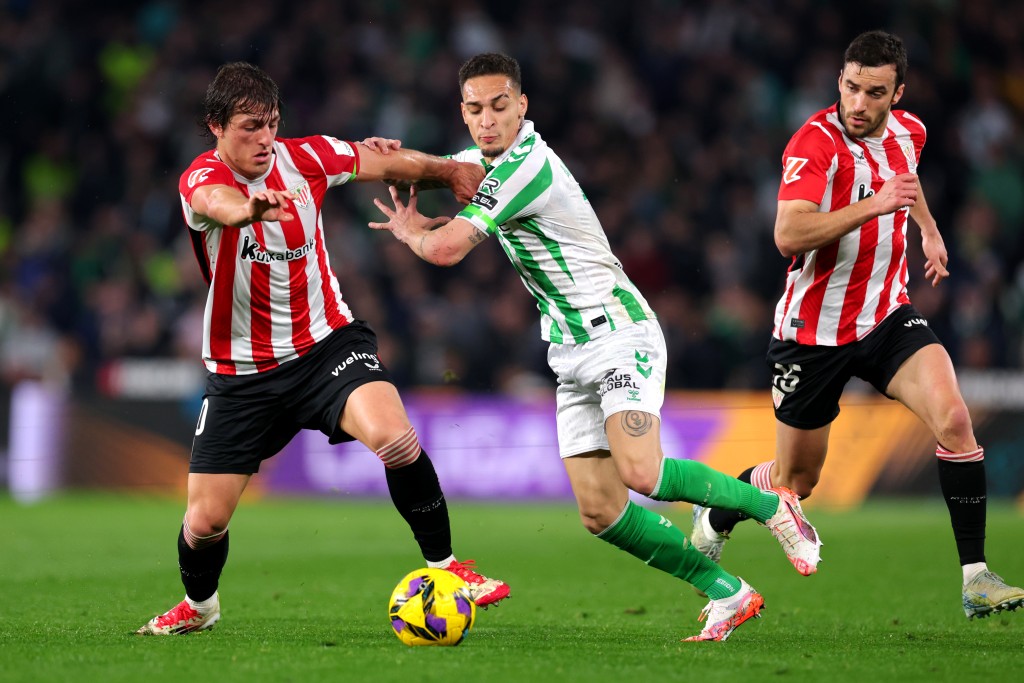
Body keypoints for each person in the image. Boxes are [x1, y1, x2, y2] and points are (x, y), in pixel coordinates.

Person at [367, 52, 822, 642]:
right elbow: (426, 167)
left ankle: (771, 506)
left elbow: (448, 249)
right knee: (600, 511)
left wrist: (411, 233)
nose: (487, 120)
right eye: (475, 109)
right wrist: (367, 159)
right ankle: (728, 592)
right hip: (569, 349)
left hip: (617, 332)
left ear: (522, 106)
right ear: (463, 111)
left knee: (642, 471)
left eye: (500, 107)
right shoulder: (480, 161)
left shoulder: (527, 166)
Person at [135, 62, 509, 636]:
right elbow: (215, 203)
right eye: (249, 127)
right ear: (215, 126)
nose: (264, 139)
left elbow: (382, 161)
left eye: (272, 124)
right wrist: (250, 209)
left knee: (395, 437)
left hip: (326, 346)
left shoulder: (304, 158)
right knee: (204, 522)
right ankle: (201, 607)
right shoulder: (201, 178)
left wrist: (450, 171)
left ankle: (448, 567)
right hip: (243, 373)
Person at [689, 30, 1024, 620]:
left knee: (955, 418)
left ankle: (976, 578)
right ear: (838, 82)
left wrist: (929, 229)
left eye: (875, 92)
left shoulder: (909, 131)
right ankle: (717, 512)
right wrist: (876, 204)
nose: (859, 103)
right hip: (813, 334)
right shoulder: (813, 144)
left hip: (887, 315)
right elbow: (788, 234)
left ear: (898, 92)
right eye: (851, 88)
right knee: (796, 479)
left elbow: (905, 181)